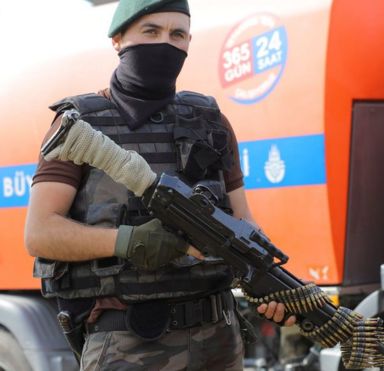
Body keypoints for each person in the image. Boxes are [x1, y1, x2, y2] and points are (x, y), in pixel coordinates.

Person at [24, 1, 293, 369]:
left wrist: (271, 287)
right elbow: (40, 233)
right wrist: (127, 242)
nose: (166, 43)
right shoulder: (80, 126)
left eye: (177, 34)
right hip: (129, 340)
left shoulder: (211, 122)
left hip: (220, 339)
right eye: (151, 31)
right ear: (118, 40)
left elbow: (243, 221)